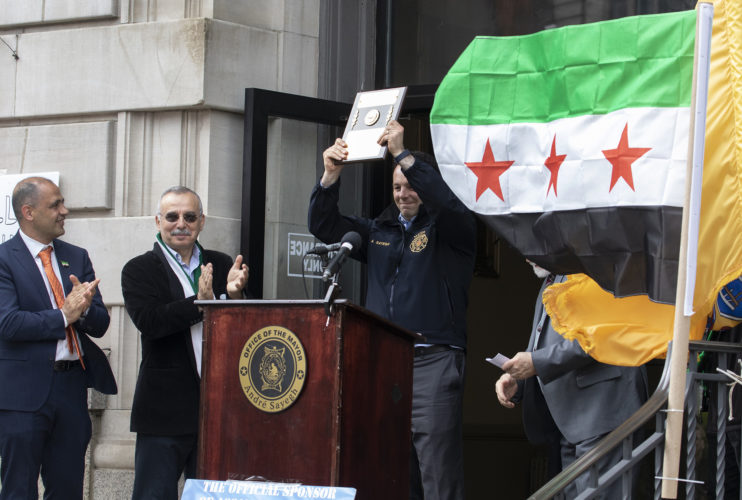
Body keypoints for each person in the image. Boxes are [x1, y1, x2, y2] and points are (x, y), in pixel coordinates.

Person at [308, 121, 476, 500]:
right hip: (384, 363)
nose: (403, 194)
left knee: (437, 474)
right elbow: (323, 224)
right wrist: (330, 176)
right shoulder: (377, 231)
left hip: (433, 359)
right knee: (387, 469)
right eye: (397, 186)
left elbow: (446, 202)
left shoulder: (453, 227)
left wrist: (403, 155)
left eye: (411, 185)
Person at [121, 186, 249, 500]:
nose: (181, 223)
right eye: (172, 216)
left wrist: (234, 296)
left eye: (189, 216)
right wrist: (201, 303)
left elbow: (245, 330)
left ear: (202, 221)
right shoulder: (138, 269)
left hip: (218, 407)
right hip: (163, 411)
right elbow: (150, 322)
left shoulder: (220, 264)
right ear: (157, 221)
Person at [0, 176, 117, 499]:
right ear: (28, 212)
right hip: (22, 397)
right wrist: (64, 315)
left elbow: (100, 322)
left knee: (67, 489)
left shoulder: (76, 256)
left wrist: (84, 310)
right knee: (18, 489)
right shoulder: (4, 259)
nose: (64, 211)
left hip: (70, 390)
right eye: (55, 205)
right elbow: (7, 323)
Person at [495, 267, 648, 498]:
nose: (526, 256)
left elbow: (600, 334)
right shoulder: (553, 276)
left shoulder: (596, 264)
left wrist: (536, 362)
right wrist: (517, 378)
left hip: (604, 413)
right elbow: (540, 342)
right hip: (571, 424)